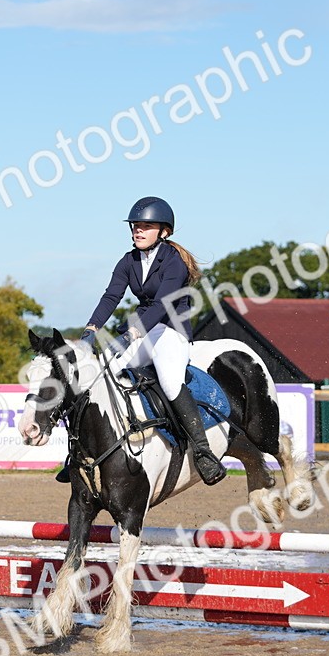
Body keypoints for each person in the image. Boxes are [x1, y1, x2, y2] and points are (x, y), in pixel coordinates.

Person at [75, 195, 225, 485]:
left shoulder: (174, 262)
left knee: (170, 380)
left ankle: (203, 452)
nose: (138, 231)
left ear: (164, 231)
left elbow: (160, 305)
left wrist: (131, 334)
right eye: (135, 226)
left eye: (146, 226)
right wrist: (90, 331)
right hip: (143, 329)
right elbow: (111, 297)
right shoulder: (127, 260)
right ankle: (82, 452)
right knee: (102, 370)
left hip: (171, 330)